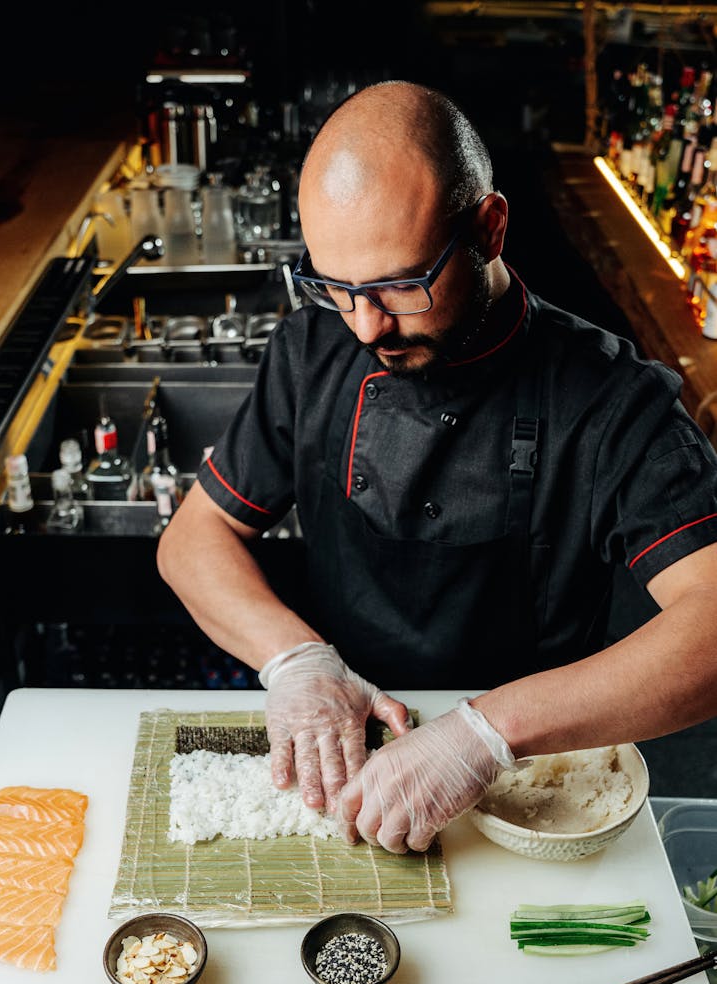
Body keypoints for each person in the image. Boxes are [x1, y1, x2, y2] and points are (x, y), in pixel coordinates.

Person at [157, 80, 717, 855]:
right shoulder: (312, 351)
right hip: (346, 745)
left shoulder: (611, 399)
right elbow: (193, 538)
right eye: (338, 289)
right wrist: (298, 663)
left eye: (399, 285)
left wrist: (484, 735)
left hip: (525, 787)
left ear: (489, 227)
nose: (366, 326)